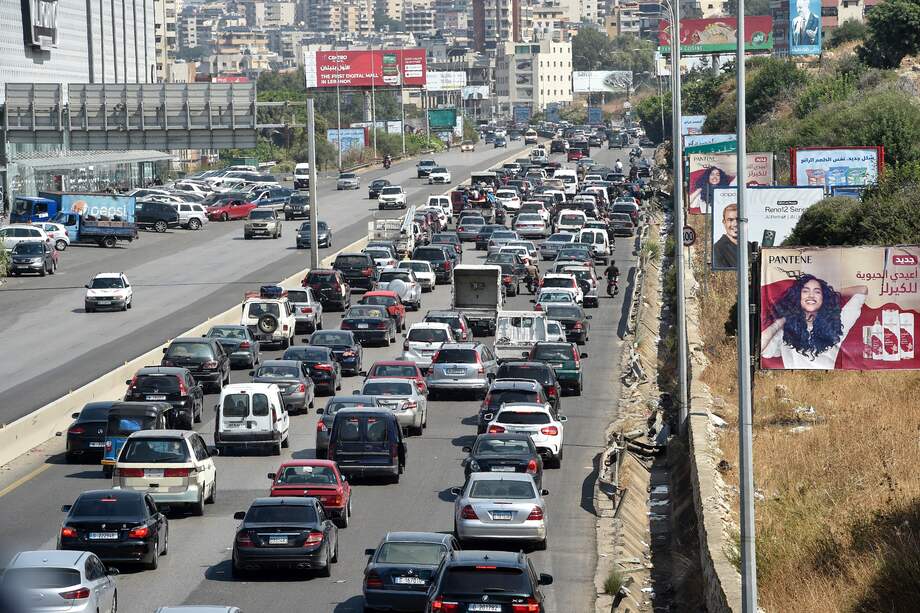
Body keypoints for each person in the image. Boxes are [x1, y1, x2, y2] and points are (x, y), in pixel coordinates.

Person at [761, 276, 867, 369]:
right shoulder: (786, 330)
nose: (811, 295)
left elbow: (862, 290)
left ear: (823, 297)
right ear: (798, 296)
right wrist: (781, 321)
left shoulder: (836, 324)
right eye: (805, 291)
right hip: (794, 384)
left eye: (817, 292)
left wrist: (828, 292)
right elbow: (762, 348)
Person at [712, 204, 739, 269]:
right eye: (730, 220)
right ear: (724, 222)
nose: (735, 224)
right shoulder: (717, 249)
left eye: (738, 219)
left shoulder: (750, 246)